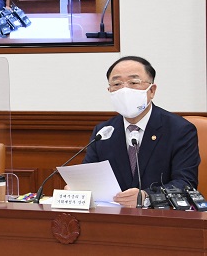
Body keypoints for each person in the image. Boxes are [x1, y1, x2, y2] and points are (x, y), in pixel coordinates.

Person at [83, 56, 200, 207]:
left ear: (151, 90)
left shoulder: (180, 129)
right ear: (109, 90)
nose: (124, 90)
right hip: (113, 218)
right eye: (117, 84)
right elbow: (89, 177)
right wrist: (80, 189)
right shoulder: (103, 132)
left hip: (160, 219)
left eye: (133, 82)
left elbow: (186, 183)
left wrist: (147, 196)